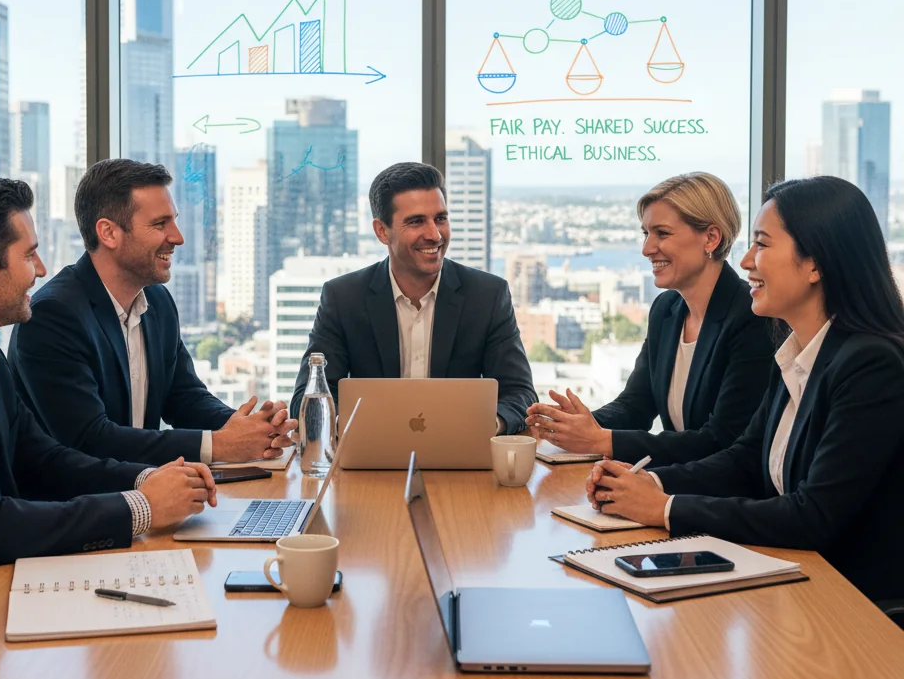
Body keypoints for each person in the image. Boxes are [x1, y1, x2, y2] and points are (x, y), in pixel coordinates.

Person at [0, 175, 217, 624]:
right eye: (28, 254)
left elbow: (45, 460)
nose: (40, 269)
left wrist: (151, 479)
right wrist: (141, 509)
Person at [584, 176, 904, 603]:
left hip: (852, 606)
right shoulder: (795, 350)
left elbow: (813, 516)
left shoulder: (871, 365)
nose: (748, 260)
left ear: (815, 264)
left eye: (763, 245)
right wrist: (648, 483)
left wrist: (664, 508)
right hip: (792, 582)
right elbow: (744, 461)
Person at [9, 159, 295, 466]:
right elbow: (90, 440)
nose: (178, 237)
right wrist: (220, 445)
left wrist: (252, 428)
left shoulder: (157, 302)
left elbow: (185, 399)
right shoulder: (53, 316)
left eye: (173, 221)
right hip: (75, 507)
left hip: (146, 495)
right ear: (108, 233)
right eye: (160, 224)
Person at [526, 172, 773, 467]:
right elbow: (636, 406)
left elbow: (722, 440)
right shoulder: (666, 309)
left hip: (716, 498)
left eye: (662, 233)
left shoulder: (751, 317)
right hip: (677, 486)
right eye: (646, 233)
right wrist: (571, 425)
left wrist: (601, 440)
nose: (646, 249)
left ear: (711, 237)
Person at [289, 162, 536, 434]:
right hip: (370, 457)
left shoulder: (488, 296)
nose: (435, 234)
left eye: (440, 218)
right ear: (382, 231)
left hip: (462, 456)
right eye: (417, 221)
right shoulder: (343, 298)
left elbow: (520, 394)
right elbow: (307, 398)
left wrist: (486, 424)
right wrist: (350, 430)